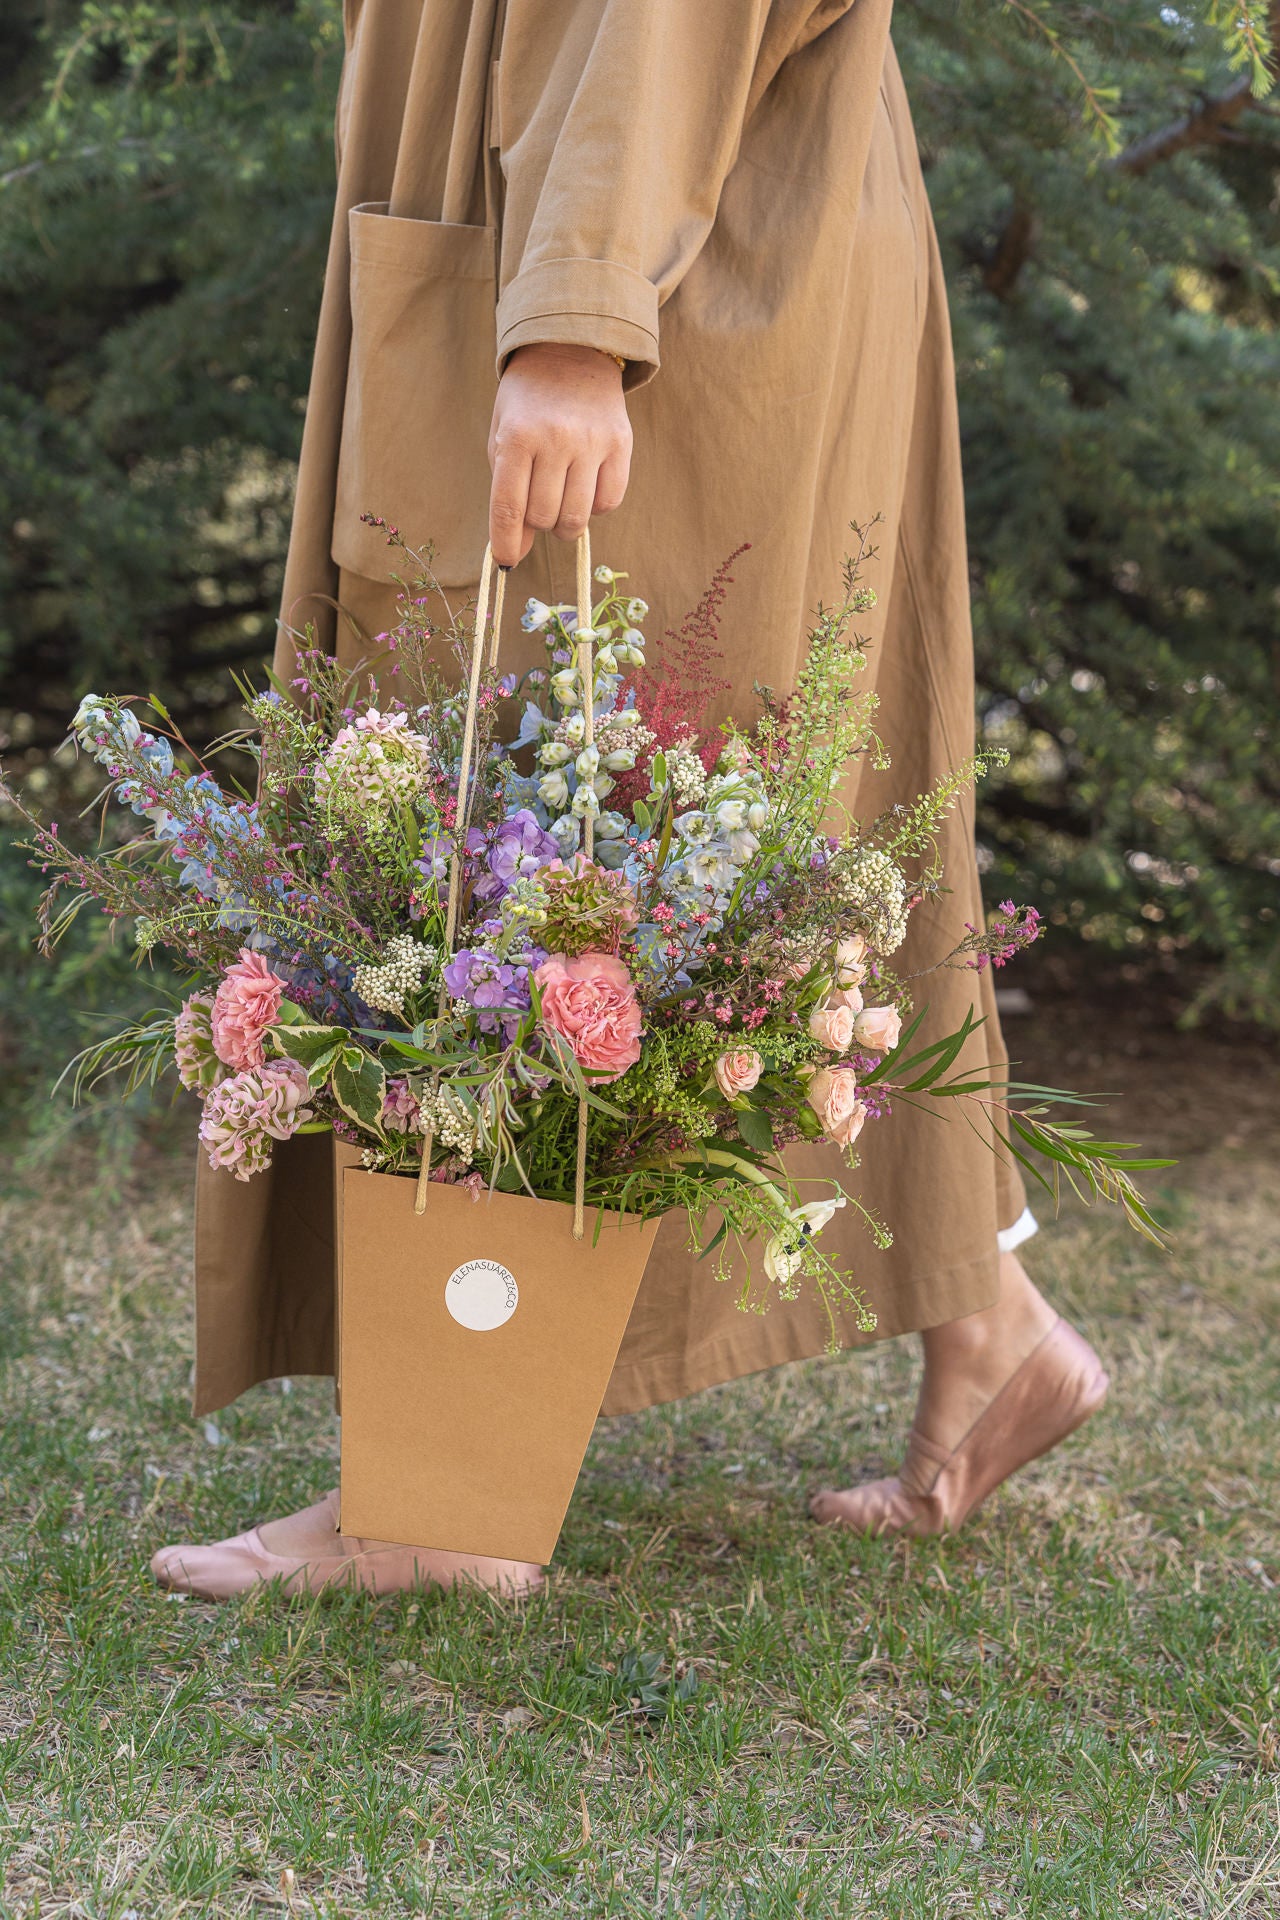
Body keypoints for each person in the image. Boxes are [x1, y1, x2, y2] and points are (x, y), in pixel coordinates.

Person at [151, 0, 1108, 1600]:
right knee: (712, 821)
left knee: (565, 827)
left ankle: (444, 1501)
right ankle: (988, 1320)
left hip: (644, 259)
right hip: (666, 215)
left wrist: (576, 322)